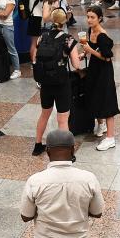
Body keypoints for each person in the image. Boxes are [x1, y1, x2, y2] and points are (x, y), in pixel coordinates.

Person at [21, 129, 105, 238]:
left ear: (48, 151)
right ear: (73, 150)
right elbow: (97, 212)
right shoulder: (88, 179)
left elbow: (26, 216)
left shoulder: (35, 181)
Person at [31, 9, 82, 156]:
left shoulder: (43, 36)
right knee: (63, 119)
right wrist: (79, 56)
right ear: (65, 20)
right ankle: (66, 152)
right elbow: (76, 65)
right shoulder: (68, 39)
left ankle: (37, 145)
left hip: (45, 83)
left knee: (44, 114)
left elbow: (35, 55)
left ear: (52, 20)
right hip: (61, 83)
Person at [81, 4, 119, 151]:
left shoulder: (102, 36)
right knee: (94, 95)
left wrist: (90, 50)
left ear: (100, 18)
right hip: (94, 69)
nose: (89, 20)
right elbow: (90, 46)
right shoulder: (90, 30)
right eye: (88, 17)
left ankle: (110, 138)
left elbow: (107, 58)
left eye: (92, 17)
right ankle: (101, 124)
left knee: (107, 102)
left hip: (104, 72)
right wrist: (84, 53)